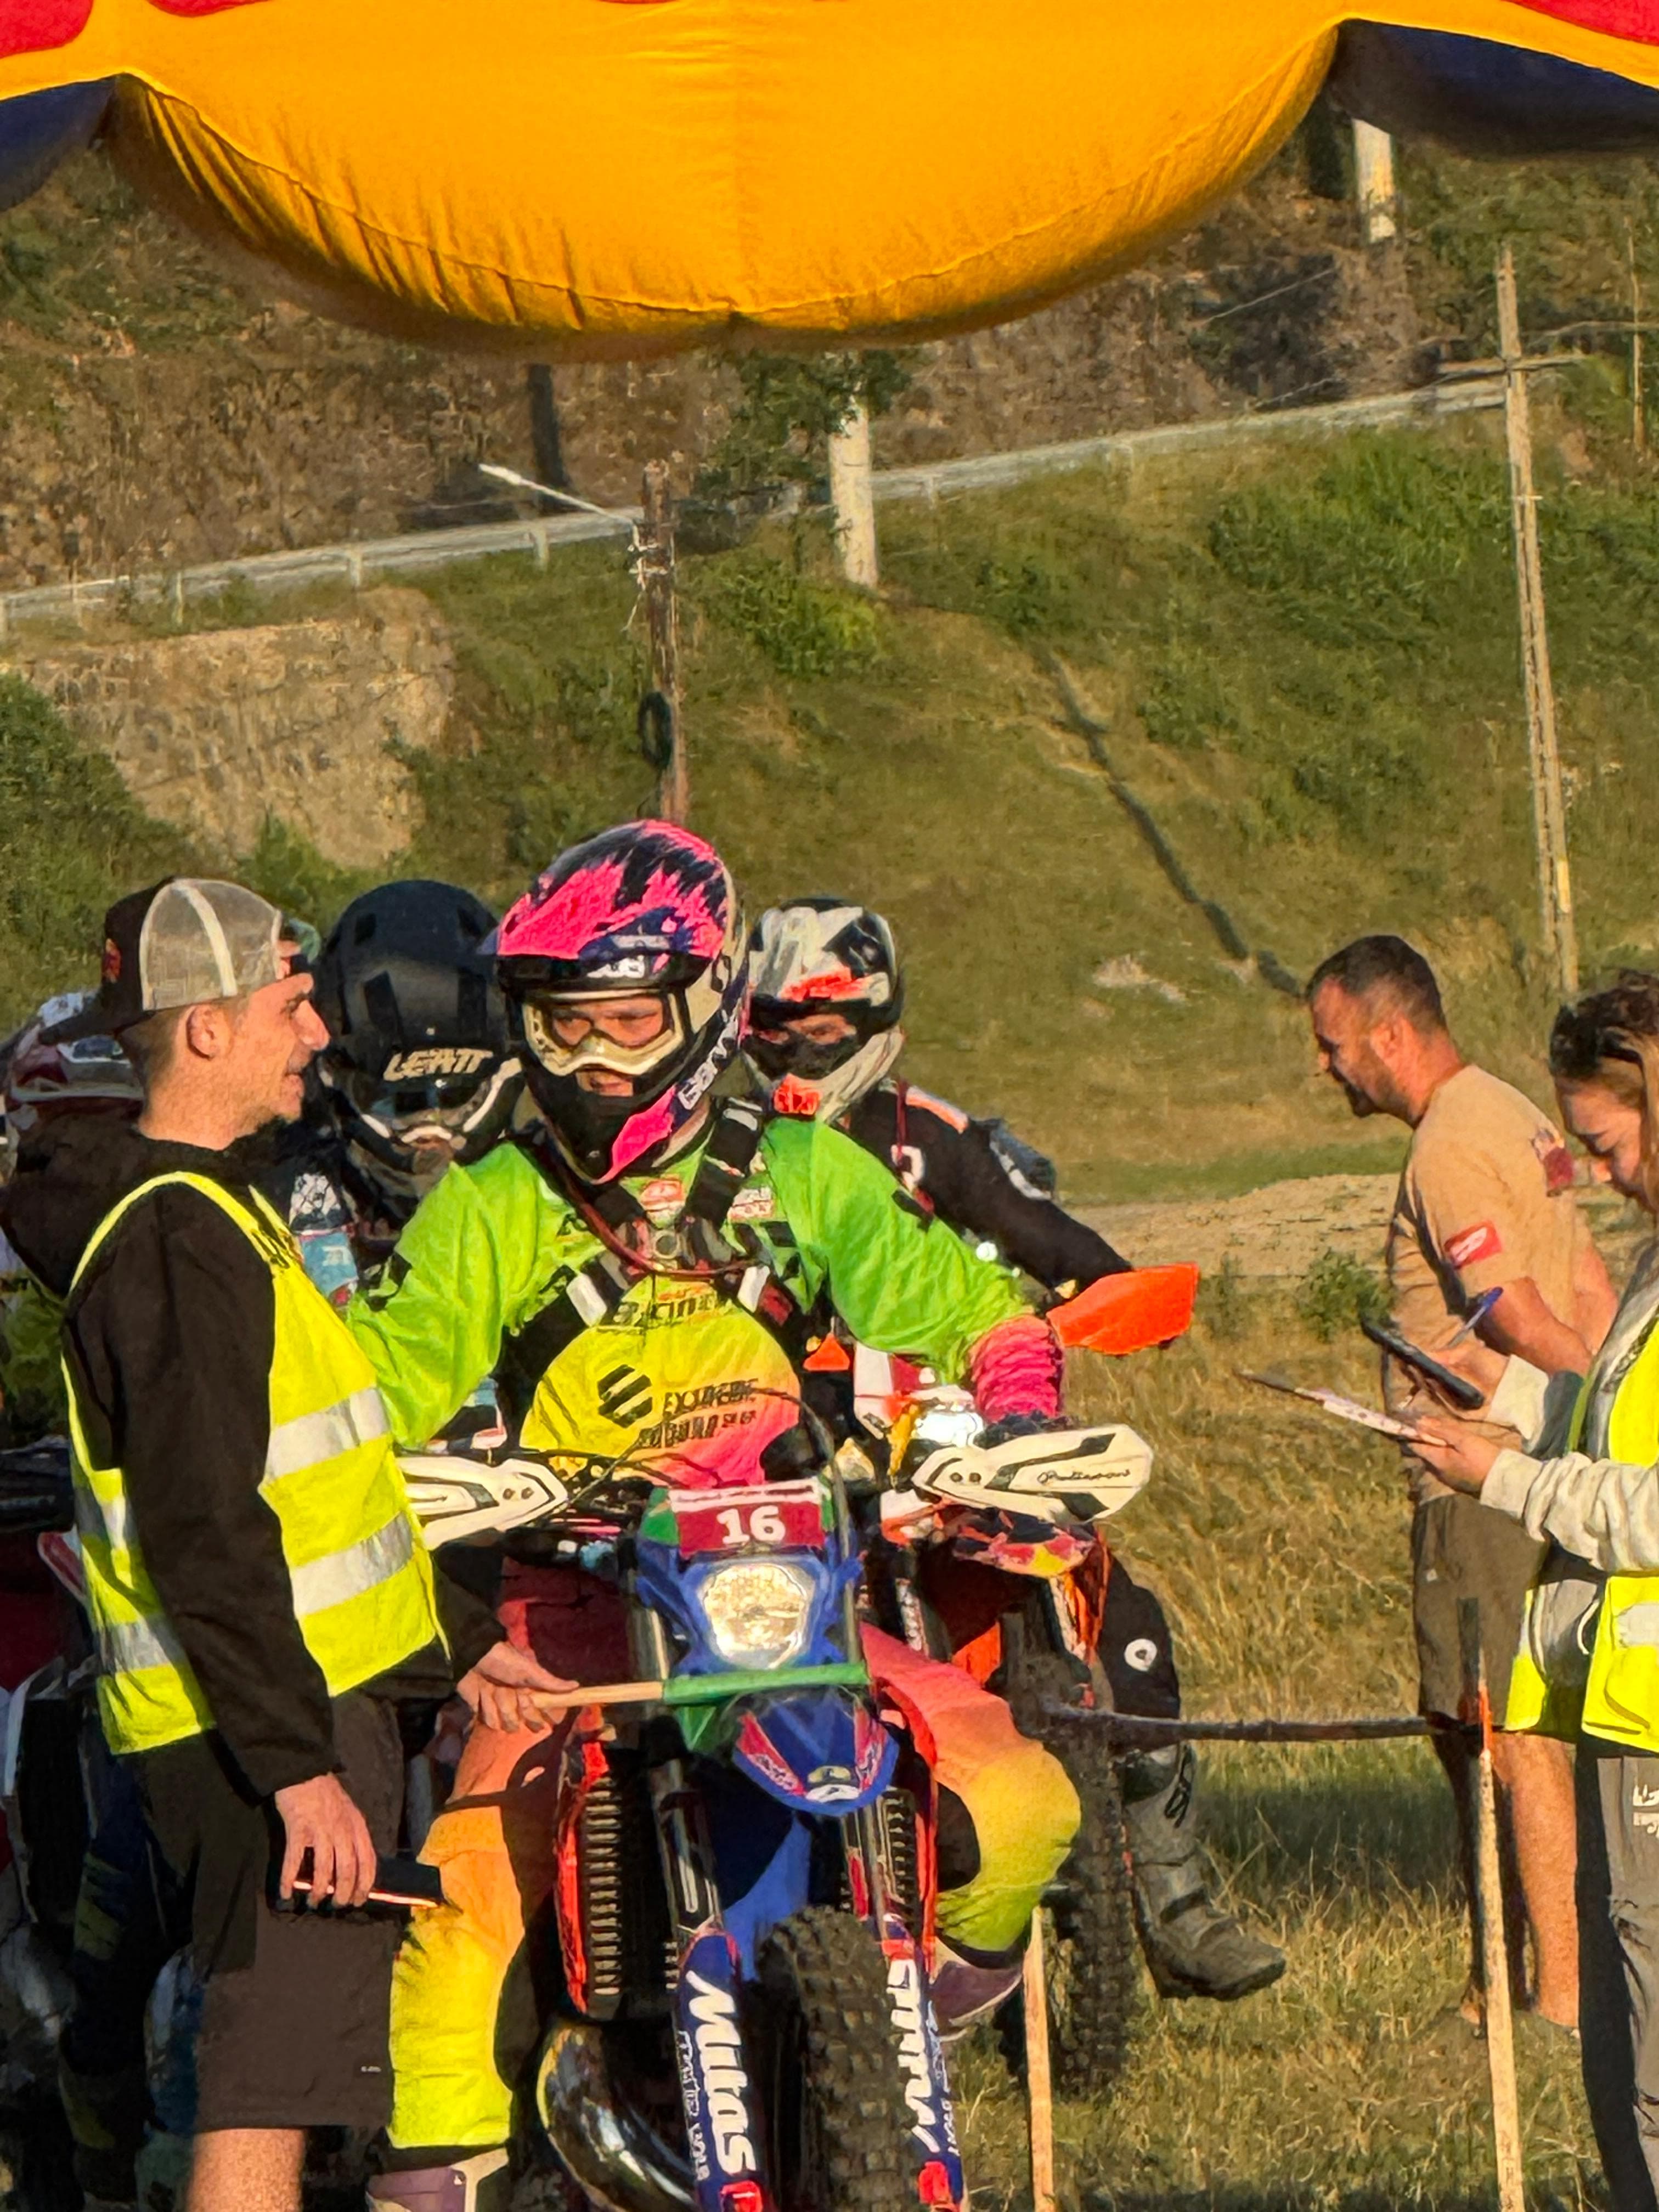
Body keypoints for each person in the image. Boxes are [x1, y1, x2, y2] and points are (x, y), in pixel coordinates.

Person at [345, 822, 1085, 2212]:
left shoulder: (803, 1173)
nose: (592, 1062)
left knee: (1025, 1802)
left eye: (625, 1022)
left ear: (698, 1012)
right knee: (454, 1947)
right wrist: (420, 1474)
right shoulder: (491, 1207)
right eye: (563, 1029)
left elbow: (984, 1310)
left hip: (798, 1593)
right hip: (572, 1615)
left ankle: (856, 2049)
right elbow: (370, 1395)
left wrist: (1019, 1416)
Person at [7, 876, 557, 2212]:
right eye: (291, 1005)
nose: (317, 1036)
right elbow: (209, 1534)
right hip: (262, 1738)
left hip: (307, 1712)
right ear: (204, 1029)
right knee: (261, 2091)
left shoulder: (219, 1208)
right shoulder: (179, 1243)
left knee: (296, 2083)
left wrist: (462, 1643)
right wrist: (297, 1771)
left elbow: (330, 1498)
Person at [744, 895, 1285, 2002]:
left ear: (878, 1020)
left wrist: (1109, 1302)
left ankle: (1179, 1899)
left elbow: (1068, 1250)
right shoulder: (726, 1157)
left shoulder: (932, 1136)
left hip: (966, 1444)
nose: (801, 1049)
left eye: (824, 1027)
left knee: (1120, 1615)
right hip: (798, 1463)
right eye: (777, 1026)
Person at [1308, 932, 1615, 2029]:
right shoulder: (1514, 1112)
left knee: (1497, 1732)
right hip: (1556, 1463)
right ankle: (1515, 1980)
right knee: (1528, 1726)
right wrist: (1607, 1407)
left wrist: (1563, 1388)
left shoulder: (1445, 1146)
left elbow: (1508, 1306)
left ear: (1391, 1035)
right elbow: (1586, 1276)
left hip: (1481, 1477)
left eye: (1336, 1045)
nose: (1329, 1068)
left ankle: (1553, 1996)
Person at [1413, 972, 1659, 2210]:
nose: (1605, 1179)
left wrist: (1510, 1485)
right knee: (1624, 2057)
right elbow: (1615, 1432)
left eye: (1612, 1146)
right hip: (1623, 1713)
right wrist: (1506, 1416)